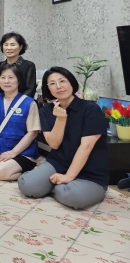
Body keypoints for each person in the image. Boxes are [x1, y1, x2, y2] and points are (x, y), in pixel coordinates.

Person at [18, 67, 109, 209]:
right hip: (58, 163)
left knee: (74, 197)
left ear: (71, 82)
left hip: (90, 171)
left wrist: (69, 176)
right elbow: (54, 144)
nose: (58, 86)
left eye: (62, 81)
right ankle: (57, 185)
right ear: (48, 88)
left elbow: (86, 146)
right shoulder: (46, 110)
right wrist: (61, 119)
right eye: (52, 83)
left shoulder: (91, 109)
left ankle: (56, 186)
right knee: (27, 185)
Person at [0, 63, 40, 181]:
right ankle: (7, 166)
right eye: (3, 77)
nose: (6, 81)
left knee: (0, 172)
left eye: (11, 77)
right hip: (0, 147)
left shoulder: (29, 102)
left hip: (23, 151)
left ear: (18, 80)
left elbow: (33, 132)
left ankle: (27, 171)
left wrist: (13, 152)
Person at [0, 32, 37, 98]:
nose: (9, 48)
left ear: (20, 47)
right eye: (6, 45)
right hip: (1, 101)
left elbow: (30, 90)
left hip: (21, 101)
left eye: (12, 45)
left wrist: (16, 102)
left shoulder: (28, 65)